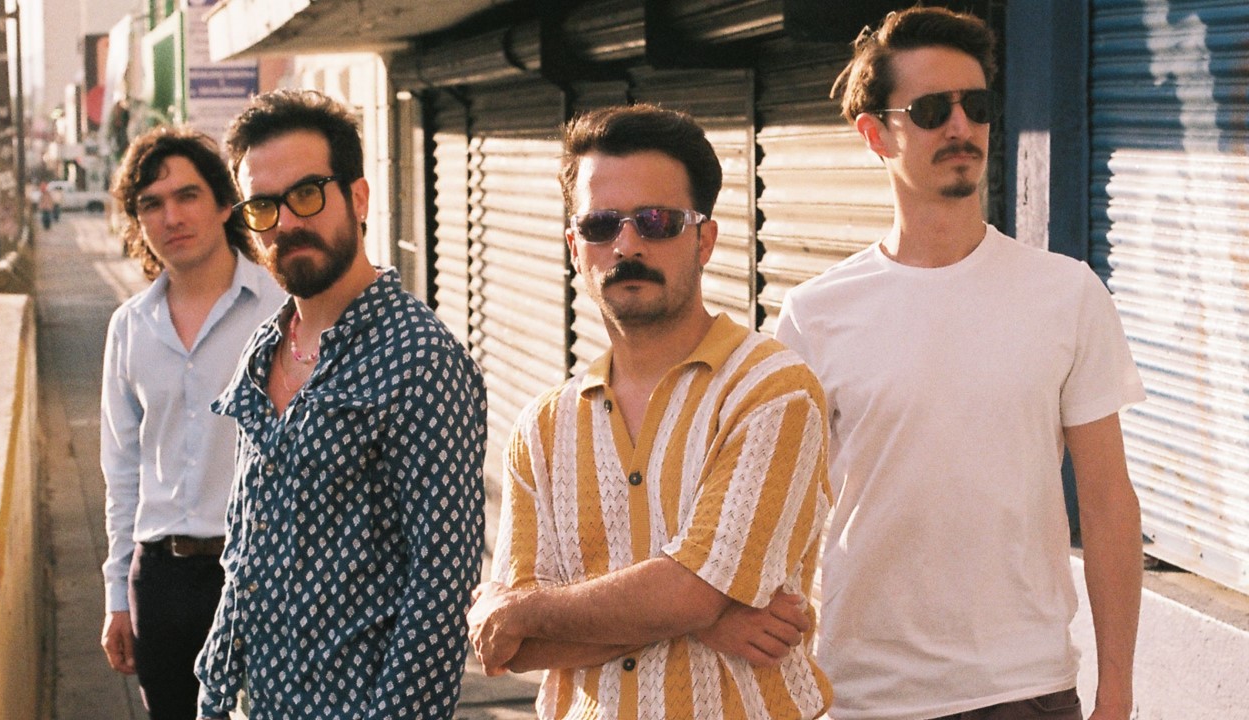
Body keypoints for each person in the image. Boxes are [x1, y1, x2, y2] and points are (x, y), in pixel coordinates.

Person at [775, 7, 1147, 720]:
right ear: (875, 134)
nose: (960, 126)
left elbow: (1107, 504)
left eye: (975, 106)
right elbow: (783, 516)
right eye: (930, 110)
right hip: (864, 694)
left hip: (1024, 687)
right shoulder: (815, 314)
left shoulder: (1066, 293)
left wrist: (1118, 694)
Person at [468, 104, 834, 719]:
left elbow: (689, 593)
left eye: (657, 221)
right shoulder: (542, 429)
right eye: (600, 224)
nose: (627, 244)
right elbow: (521, 649)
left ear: (705, 240)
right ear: (575, 248)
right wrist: (705, 617)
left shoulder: (772, 392)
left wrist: (525, 609)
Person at [194, 89, 488, 720]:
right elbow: (247, 554)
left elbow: (441, 589)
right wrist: (214, 695)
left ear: (358, 198)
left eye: (307, 194)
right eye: (263, 206)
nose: (286, 223)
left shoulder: (421, 360)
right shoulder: (265, 348)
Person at [100, 125, 286, 720]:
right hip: (160, 580)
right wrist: (117, 596)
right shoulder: (129, 327)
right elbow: (122, 471)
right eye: (151, 204)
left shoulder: (282, 310)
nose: (171, 217)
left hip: (264, 572)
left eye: (187, 196)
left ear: (225, 204)